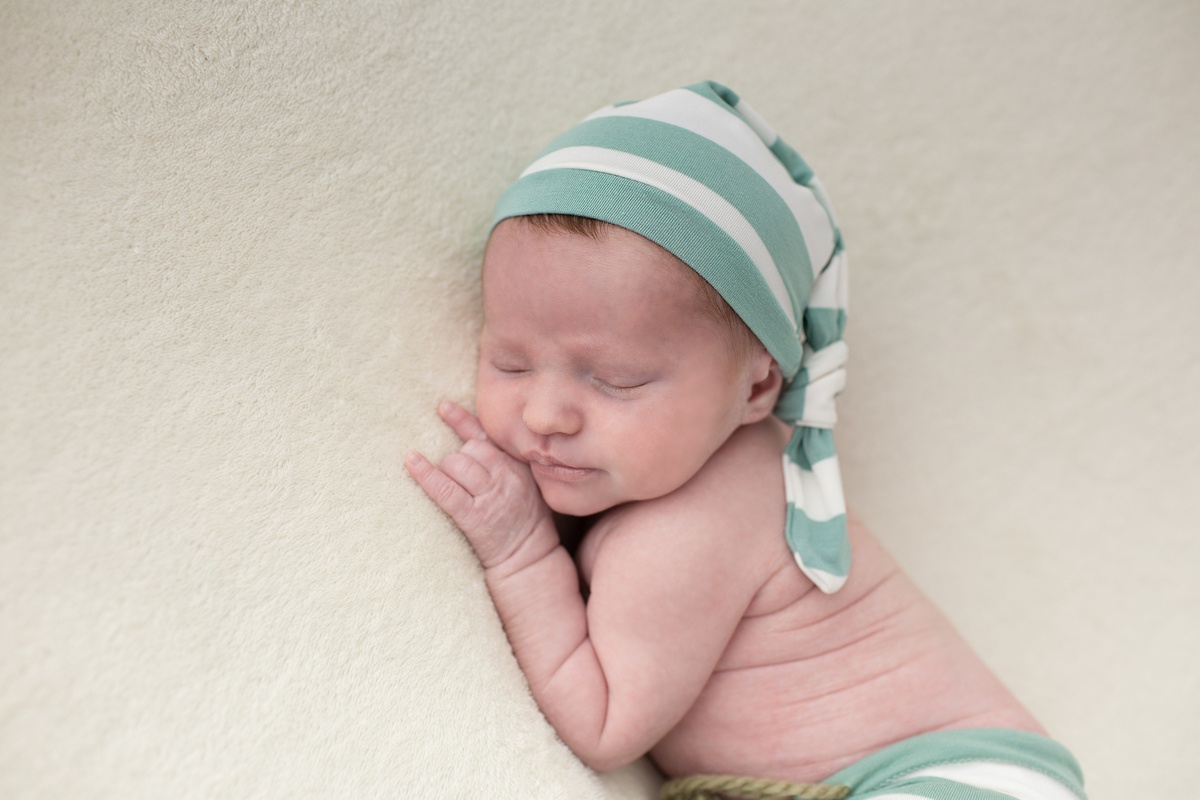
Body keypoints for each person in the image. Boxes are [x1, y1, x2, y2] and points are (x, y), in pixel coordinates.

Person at [405, 82, 1085, 800]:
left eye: (617, 380)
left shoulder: (692, 522)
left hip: (945, 780)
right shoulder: (660, 478)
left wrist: (522, 553)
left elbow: (601, 723)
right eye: (509, 362)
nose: (545, 414)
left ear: (757, 390)